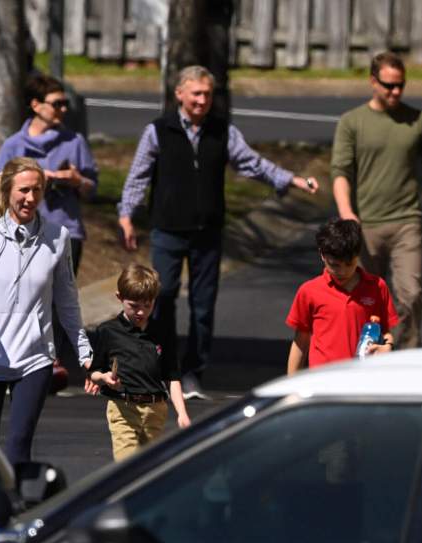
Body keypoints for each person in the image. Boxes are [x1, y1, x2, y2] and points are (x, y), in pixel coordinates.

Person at [117, 65, 319, 400]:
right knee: (161, 299)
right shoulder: (158, 130)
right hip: (168, 229)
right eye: (195, 93)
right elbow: (138, 175)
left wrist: (291, 179)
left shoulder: (222, 131)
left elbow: (251, 163)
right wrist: (126, 215)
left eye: (207, 94)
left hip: (207, 232)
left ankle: (193, 372)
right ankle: (163, 369)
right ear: (179, 94)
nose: (202, 100)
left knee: (203, 305)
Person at [0, 157, 92, 465]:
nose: (31, 198)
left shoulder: (58, 238)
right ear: (7, 190)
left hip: (34, 356)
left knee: (18, 447)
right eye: (23, 190)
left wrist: (83, 349)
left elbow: (67, 300)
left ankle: (14, 510)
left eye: (37, 190)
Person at [331, 51, 422, 350]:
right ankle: (364, 355)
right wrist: (347, 214)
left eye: (401, 85)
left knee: (409, 294)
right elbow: (341, 172)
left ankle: (404, 357)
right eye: (388, 85)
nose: (395, 91)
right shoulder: (352, 122)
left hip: (406, 223)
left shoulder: (418, 121)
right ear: (373, 82)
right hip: (366, 226)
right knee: (365, 300)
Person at [0, 74, 97, 274]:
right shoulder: (14, 145)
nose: (64, 109)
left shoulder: (75, 142)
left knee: (61, 302)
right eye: (57, 104)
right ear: (36, 105)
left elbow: (92, 190)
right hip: (22, 234)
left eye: (65, 103)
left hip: (66, 233)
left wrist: (77, 181)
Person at [88, 263, 191, 461]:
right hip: (123, 408)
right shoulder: (108, 331)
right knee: (126, 464)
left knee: (149, 467)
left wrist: (182, 413)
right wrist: (104, 377)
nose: (141, 312)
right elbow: (94, 371)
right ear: (120, 298)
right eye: (134, 306)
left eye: (148, 305)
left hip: (155, 409)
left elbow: (172, 375)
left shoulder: (162, 331)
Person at [286, 219, 398, 374]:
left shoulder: (377, 287)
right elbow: (301, 342)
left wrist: (388, 347)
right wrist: (292, 384)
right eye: (335, 265)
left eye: (349, 264)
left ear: (358, 255)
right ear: (322, 255)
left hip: (362, 377)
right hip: (322, 378)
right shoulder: (309, 291)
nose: (343, 271)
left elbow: (385, 331)